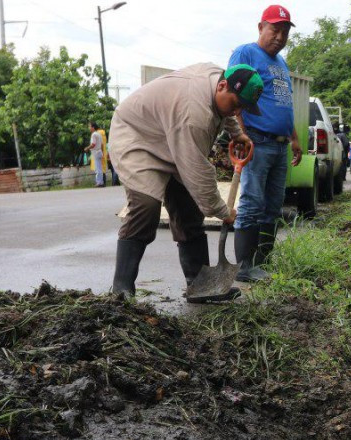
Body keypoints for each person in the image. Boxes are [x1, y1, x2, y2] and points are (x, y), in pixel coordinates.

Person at [107, 63, 263, 298]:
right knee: (146, 207)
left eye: (242, 107)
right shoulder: (194, 117)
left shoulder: (219, 78)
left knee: (189, 209)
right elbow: (198, 174)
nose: (237, 112)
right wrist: (223, 211)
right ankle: (121, 290)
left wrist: (236, 132)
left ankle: (200, 286)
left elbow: (225, 110)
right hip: (137, 135)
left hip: (170, 130)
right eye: (236, 104)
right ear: (222, 86)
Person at [228, 4, 302, 282]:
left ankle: (262, 263)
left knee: (272, 206)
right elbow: (234, 96)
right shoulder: (246, 53)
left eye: (284, 32)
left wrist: (293, 138)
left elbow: (283, 104)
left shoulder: (282, 64)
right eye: (274, 30)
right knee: (252, 203)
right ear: (261, 27)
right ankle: (244, 267)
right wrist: (241, 135)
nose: (280, 37)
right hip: (256, 141)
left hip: (280, 144)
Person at [85, 122, 105, 187]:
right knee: (100, 168)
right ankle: (101, 182)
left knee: (97, 168)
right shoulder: (99, 134)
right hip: (99, 152)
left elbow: (93, 144)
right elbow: (102, 145)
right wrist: (102, 152)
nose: (89, 128)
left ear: (93, 127)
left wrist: (87, 148)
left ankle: (99, 182)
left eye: (90, 126)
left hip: (96, 152)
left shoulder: (93, 134)